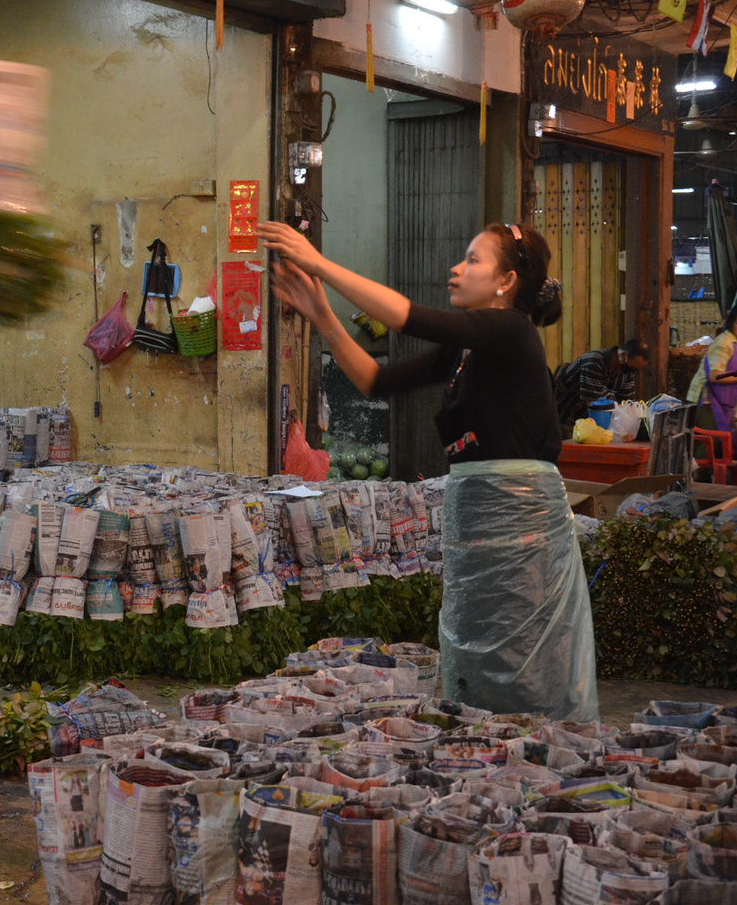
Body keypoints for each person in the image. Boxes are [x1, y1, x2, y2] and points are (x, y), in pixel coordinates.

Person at [261, 220, 597, 721]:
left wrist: (319, 264)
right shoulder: (466, 350)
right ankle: (487, 740)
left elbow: (404, 317)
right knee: (479, 643)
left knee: (526, 650)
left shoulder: (510, 331)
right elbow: (377, 380)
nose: (456, 269)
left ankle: (543, 744)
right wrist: (324, 317)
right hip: (478, 518)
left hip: (521, 528)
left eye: (473, 260)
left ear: (506, 281)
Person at [687, 304, 737, 432]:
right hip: (706, 398)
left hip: (725, 398)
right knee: (712, 440)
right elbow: (715, 376)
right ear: (732, 323)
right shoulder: (724, 342)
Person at [554, 339, 651, 425]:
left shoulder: (626, 371)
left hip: (589, 421)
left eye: (635, 369)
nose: (632, 371)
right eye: (632, 367)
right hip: (566, 416)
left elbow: (627, 403)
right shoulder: (594, 362)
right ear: (623, 355)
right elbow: (595, 404)